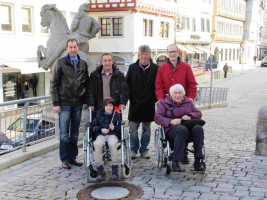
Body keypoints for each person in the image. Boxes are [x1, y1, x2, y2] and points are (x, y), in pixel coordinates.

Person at [51, 38, 90, 169]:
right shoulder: (60, 62)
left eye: (75, 47)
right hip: (64, 103)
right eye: (70, 47)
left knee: (74, 133)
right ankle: (64, 159)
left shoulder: (83, 63)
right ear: (67, 48)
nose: (73, 49)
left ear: (78, 48)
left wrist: (85, 101)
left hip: (78, 103)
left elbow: (86, 83)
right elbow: (54, 84)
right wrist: (56, 103)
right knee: (64, 134)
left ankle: (73, 157)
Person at [155, 44, 197, 163]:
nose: (172, 54)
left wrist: (191, 98)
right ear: (167, 53)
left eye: (174, 51)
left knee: (184, 125)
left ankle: (183, 153)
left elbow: (192, 84)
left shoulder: (186, 67)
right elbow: (158, 86)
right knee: (172, 126)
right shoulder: (162, 68)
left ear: (178, 53)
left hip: (183, 103)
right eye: (170, 52)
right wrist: (160, 100)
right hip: (168, 104)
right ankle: (173, 151)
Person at [154, 84, 205, 172]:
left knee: (198, 128)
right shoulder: (163, 103)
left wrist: (190, 116)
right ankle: (175, 162)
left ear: (183, 94)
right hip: (172, 130)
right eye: (175, 93)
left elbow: (198, 113)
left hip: (188, 130)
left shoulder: (188, 101)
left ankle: (198, 161)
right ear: (170, 94)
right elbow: (157, 118)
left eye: (180, 93)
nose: (177, 95)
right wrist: (170, 121)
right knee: (182, 129)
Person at [126, 45, 158, 159]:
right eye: (142, 54)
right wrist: (131, 98)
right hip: (135, 104)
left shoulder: (156, 68)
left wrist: (154, 99)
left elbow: (158, 86)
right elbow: (127, 84)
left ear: (150, 55)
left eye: (146, 54)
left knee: (146, 130)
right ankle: (134, 149)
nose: (144, 56)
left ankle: (144, 150)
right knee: (133, 129)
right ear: (139, 55)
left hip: (148, 104)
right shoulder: (132, 67)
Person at [91, 97, 121, 180]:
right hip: (101, 134)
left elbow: (120, 129)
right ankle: (100, 169)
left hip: (112, 134)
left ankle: (115, 169)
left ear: (113, 106)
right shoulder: (98, 114)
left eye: (110, 105)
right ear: (104, 106)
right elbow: (92, 126)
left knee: (112, 143)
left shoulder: (116, 114)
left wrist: (114, 128)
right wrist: (101, 129)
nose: (109, 107)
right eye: (107, 105)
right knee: (97, 144)